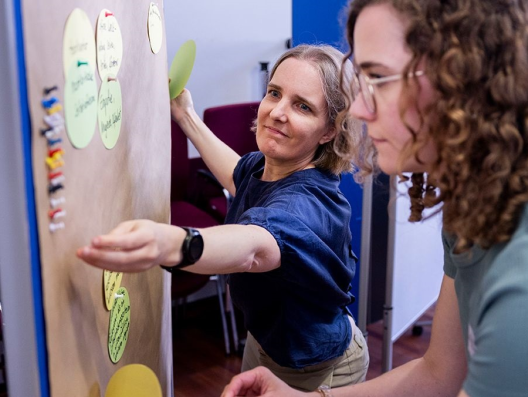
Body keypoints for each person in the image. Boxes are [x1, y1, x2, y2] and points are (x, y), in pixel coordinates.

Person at [223, 1, 528, 396]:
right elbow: (440, 372)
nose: (362, 110)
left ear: (466, 83)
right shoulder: (482, 205)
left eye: (380, 79)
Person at [77, 44, 369, 391]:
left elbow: (252, 247)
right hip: (265, 341)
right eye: (274, 93)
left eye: (302, 106)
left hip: (309, 362)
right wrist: (186, 115)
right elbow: (236, 172)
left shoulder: (304, 207)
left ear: (328, 131)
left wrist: (170, 243)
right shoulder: (270, 167)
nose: (277, 112)